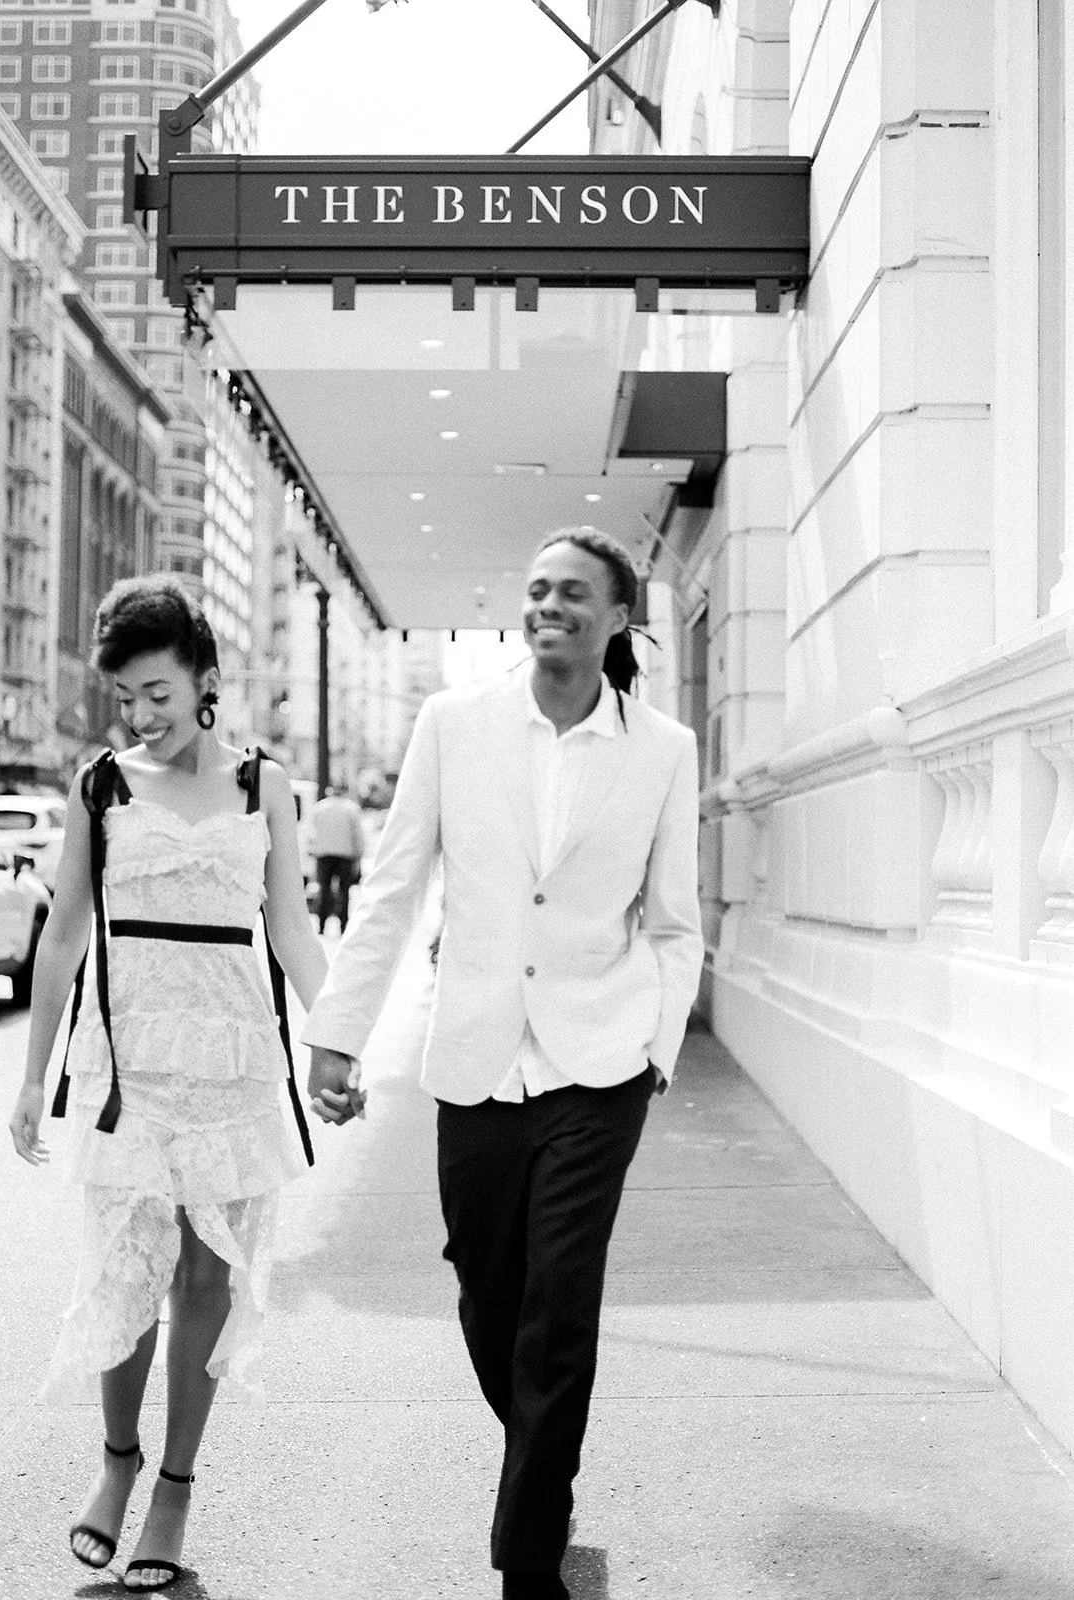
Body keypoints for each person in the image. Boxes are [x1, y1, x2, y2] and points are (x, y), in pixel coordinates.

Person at [304, 528, 704, 1600]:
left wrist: (654, 1048)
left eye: (573, 592)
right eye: (534, 590)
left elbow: (674, 923)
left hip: (599, 1058)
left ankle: (527, 1552)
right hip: (476, 1056)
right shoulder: (453, 724)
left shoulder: (662, 748)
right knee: (489, 1297)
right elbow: (391, 888)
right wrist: (337, 1034)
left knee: (559, 1299)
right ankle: (547, 1465)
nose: (549, 606)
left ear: (618, 615)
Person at [9, 577, 330, 1592]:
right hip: (125, 1060)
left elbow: (287, 925)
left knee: (205, 1277)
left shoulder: (263, 785)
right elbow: (62, 931)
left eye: (157, 691)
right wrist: (31, 1078)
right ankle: (114, 1466)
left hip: (231, 1054)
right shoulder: (100, 783)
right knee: (123, 1273)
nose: (142, 715)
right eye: (127, 697)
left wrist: (340, 1042)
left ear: (206, 680)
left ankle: (175, 1489)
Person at [307, 782, 365, 934]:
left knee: (324, 891)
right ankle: (343, 925)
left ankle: (322, 925)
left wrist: (313, 851)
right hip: (345, 855)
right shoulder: (352, 809)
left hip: (324, 855)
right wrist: (359, 855)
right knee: (344, 893)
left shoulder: (319, 808)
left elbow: (311, 832)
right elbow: (357, 835)